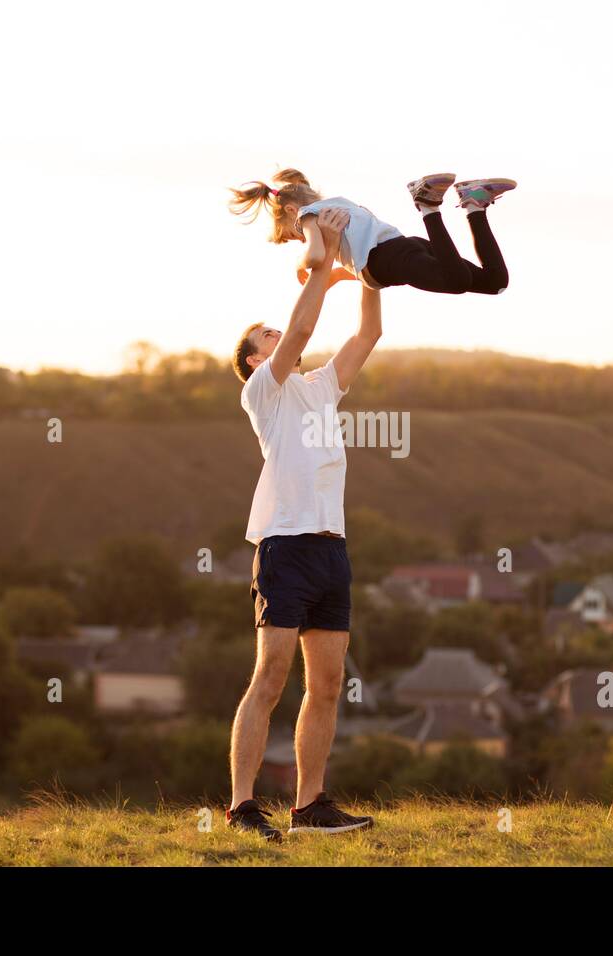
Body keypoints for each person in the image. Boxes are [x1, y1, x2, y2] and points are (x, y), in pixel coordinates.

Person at [225, 206, 382, 840]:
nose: (275, 333)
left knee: (327, 684)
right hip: (284, 547)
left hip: (330, 550)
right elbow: (299, 330)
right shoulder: (263, 391)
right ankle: (240, 806)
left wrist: (370, 268)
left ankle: (310, 805)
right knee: (270, 678)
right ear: (254, 359)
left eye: (272, 329)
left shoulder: (321, 388)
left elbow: (367, 335)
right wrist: (320, 268)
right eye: (263, 333)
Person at [228, 168, 515, 296]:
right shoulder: (340, 203)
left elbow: (315, 254)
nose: (300, 237)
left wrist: (301, 264)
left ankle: (427, 204)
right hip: (403, 247)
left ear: (291, 211)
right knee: (495, 283)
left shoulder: (307, 216)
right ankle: (474, 204)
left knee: (457, 282)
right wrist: (337, 277)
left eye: (293, 235)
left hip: (390, 258)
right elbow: (358, 259)